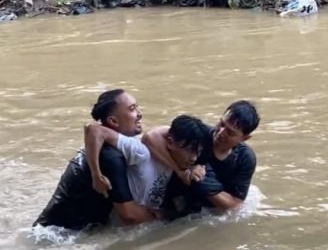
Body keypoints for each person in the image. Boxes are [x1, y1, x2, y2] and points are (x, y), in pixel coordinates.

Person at [33, 89, 154, 230]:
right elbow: (130, 216)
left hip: (51, 230)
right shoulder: (111, 157)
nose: (139, 114)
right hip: (62, 237)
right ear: (113, 121)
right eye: (132, 109)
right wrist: (167, 217)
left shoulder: (100, 145)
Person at [142, 100, 260, 219]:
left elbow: (235, 205)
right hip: (176, 198)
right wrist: (181, 171)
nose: (220, 132)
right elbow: (150, 137)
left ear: (245, 138)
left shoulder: (245, 158)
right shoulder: (201, 133)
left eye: (230, 132)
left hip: (206, 208)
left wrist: (201, 181)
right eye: (221, 124)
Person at [84, 114, 209, 213]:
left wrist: (195, 168)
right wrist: (97, 175)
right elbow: (93, 129)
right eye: (189, 150)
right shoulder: (141, 153)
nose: (193, 158)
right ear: (170, 142)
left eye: (197, 152)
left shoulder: (182, 162)